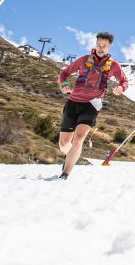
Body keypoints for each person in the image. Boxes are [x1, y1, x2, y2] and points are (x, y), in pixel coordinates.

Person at [55, 32, 129, 179]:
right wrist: (63, 84)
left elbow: (124, 81)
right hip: (73, 102)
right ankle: (71, 157)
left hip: (92, 104)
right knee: (64, 144)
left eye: (104, 46)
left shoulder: (114, 65)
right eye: (98, 45)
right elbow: (63, 74)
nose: (100, 49)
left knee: (80, 137)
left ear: (110, 46)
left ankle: (65, 174)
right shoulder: (83, 60)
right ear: (95, 44)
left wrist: (121, 89)